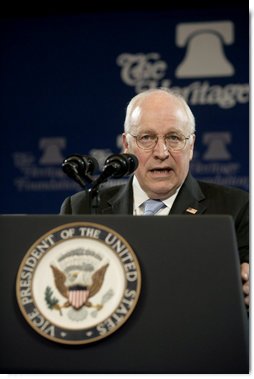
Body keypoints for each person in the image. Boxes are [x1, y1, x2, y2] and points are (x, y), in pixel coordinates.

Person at [60, 87, 249, 307]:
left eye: (174, 138)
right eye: (147, 138)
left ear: (191, 146)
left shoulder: (236, 208)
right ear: (126, 145)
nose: (161, 152)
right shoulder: (83, 207)